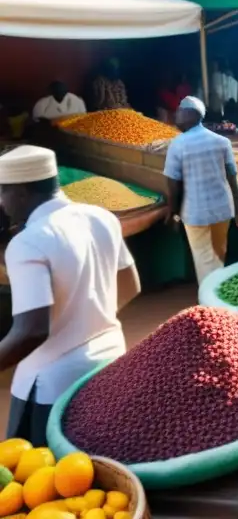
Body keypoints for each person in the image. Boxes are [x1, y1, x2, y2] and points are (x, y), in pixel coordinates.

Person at [0, 145, 140, 444]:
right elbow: (130, 285)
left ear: (23, 191)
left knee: (45, 478)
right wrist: (88, 320)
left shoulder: (28, 243)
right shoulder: (101, 217)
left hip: (53, 385)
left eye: (4, 192)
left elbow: (31, 333)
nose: (2, 202)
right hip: (109, 362)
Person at [164, 97, 238, 283]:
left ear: (190, 114)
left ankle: (210, 301)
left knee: (202, 258)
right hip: (222, 210)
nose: (176, 115)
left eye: (179, 111)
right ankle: (219, 295)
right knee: (218, 255)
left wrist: (173, 212)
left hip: (195, 213)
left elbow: (173, 184)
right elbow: (233, 177)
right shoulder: (221, 141)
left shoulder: (178, 143)